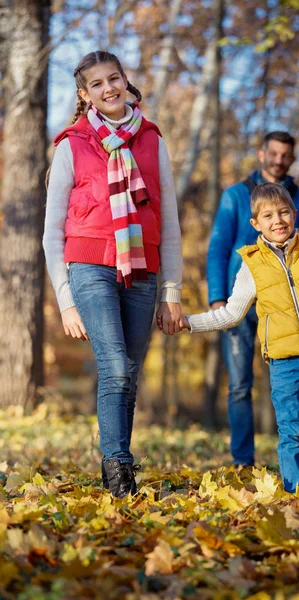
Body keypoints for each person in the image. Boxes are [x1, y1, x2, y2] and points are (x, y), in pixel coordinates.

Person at [43, 50, 184, 498]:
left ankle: (117, 460)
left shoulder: (152, 140)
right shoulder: (71, 144)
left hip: (143, 267)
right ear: (84, 96)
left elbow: (171, 223)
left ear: (126, 81)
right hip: (88, 266)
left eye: (115, 78)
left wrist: (172, 291)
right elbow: (51, 233)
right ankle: (119, 471)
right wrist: (65, 299)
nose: (109, 88)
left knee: (130, 374)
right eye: (98, 84)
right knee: (116, 370)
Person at [180, 182, 299, 493]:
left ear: (294, 213)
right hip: (284, 364)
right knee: (294, 431)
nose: (278, 220)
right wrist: (188, 322)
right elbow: (231, 314)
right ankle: (296, 492)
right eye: (268, 215)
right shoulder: (252, 265)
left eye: (284, 212)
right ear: (255, 223)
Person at [207, 132, 299, 468]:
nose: (279, 160)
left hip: (286, 305)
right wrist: (216, 298)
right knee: (239, 385)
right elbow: (218, 248)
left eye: (286, 155)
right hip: (240, 301)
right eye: (274, 153)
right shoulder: (235, 196)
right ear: (261, 154)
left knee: (297, 383)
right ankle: (243, 461)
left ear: (292, 159)